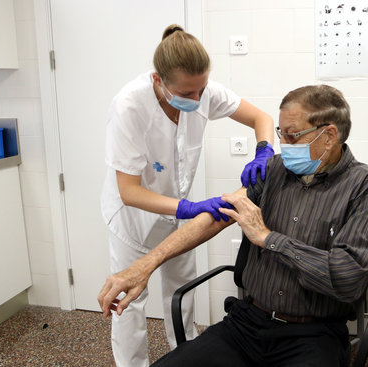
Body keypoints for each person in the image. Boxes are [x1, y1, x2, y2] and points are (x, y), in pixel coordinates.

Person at [98, 84, 368, 366]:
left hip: (314, 334)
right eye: (280, 135)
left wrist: (270, 239)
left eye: (292, 136)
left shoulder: (363, 187)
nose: (283, 146)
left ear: (329, 135)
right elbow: (214, 218)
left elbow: (347, 278)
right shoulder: (273, 170)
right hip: (247, 324)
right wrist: (146, 264)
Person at [100, 24, 274, 367]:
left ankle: (187, 355)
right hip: (132, 217)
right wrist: (188, 207)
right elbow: (129, 190)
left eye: (202, 90)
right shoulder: (129, 106)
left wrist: (264, 149)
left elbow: (261, 117)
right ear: (158, 81)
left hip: (179, 213)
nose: (197, 100)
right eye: (187, 92)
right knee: (130, 299)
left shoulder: (203, 90)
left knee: (183, 287)